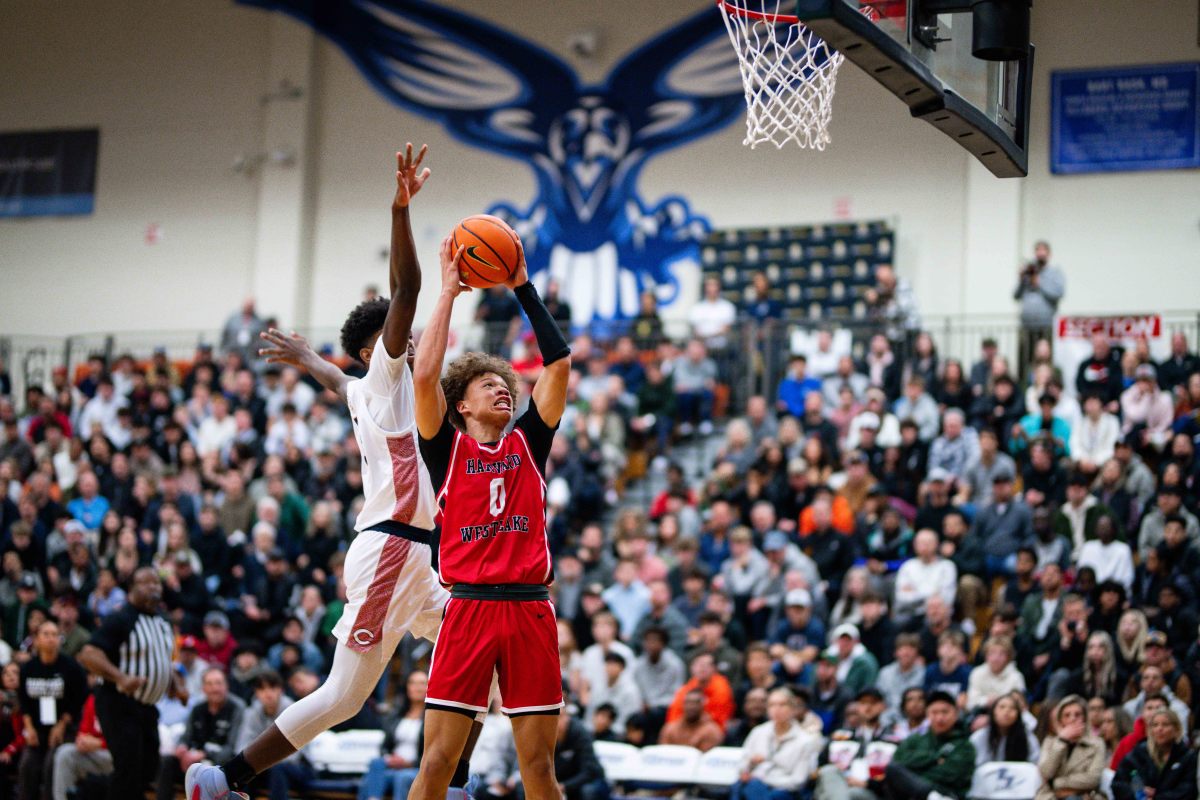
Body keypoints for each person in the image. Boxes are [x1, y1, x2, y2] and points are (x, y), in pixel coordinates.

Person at [188, 145, 470, 800]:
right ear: (382, 346)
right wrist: (400, 209)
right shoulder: (389, 374)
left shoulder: (361, 387)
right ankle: (224, 777)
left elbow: (332, 375)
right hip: (394, 547)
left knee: (473, 635)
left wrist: (303, 354)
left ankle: (457, 777)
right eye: (401, 331)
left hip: (411, 557)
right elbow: (406, 288)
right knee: (342, 695)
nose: (414, 333)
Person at [409, 214, 572, 800]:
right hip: (469, 609)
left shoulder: (529, 440)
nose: (502, 388)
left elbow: (557, 364)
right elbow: (424, 375)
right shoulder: (444, 448)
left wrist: (522, 285)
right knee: (435, 765)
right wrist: (449, 292)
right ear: (461, 407)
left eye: (504, 384)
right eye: (486, 386)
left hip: (529, 609)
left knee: (540, 770)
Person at [18, 620, 87, 800]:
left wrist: (62, 724)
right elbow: (23, 700)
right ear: (37, 640)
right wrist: (29, 728)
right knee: (27, 765)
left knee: (52, 764)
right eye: (46, 634)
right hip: (37, 728)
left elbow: (79, 700)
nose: (51, 639)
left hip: (64, 728)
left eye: (55, 635)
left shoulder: (71, 667)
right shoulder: (28, 668)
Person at [870, 690, 974, 800]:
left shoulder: (965, 745)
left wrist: (912, 776)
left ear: (955, 714)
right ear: (927, 715)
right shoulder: (915, 739)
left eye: (945, 712)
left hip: (947, 794)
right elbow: (898, 763)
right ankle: (930, 795)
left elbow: (950, 777)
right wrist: (935, 759)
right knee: (892, 770)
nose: (939, 718)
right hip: (911, 794)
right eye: (934, 713)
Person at [733, 688, 823, 800]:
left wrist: (763, 779)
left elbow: (798, 781)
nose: (777, 709)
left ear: (793, 708)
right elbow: (741, 767)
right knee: (741, 786)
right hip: (754, 786)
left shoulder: (805, 740)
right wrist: (750, 763)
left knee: (759, 790)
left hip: (784, 791)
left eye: (782, 705)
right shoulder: (758, 732)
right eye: (772, 705)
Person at [360, 670, 428, 800]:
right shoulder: (396, 715)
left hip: (415, 769)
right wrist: (389, 758)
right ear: (407, 687)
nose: (417, 688)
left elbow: (431, 752)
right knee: (375, 764)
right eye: (413, 683)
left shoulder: (432, 719)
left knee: (401, 777)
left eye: (422, 683)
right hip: (393, 766)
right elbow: (384, 746)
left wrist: (408, 763)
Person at [1110, 708, 1195, 800]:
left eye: (1165, 724)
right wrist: (1138, 792)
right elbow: (1118, 784)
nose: (1159, 729)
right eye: (1155, 725)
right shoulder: (1138, 753)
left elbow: (1188, 790)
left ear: (1176, 729)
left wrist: (1156, 798)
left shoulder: (1187, 756)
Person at [1035, 695, 1105, 800]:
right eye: (1067, 715)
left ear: (1085, 718)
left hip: (1085, 796)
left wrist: (1056, 783)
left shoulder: (1097, 744)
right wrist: (1061, 741)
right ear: (1060, 719)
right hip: (1050, 796)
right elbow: (1045, 773)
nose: (1072, 719)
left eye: (1077, 715)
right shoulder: (1050, 742)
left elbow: (1093, 778)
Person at [1014, 241, 1065, 377]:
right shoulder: (1028, 271)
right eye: (1038, 250)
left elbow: (1058, 293)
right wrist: (1021, 279)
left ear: (1048, 254)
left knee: (1045, 358)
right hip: (1027, 327)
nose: (1040, 253)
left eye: (1043, 250)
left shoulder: (1055, 273)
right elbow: (1016, 295)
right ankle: (1025, 384)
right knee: (1025, 359)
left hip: (1045, 327)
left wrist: (1039, 283)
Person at [49, 694, 111, 800]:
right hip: (94, 755)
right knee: (64, 754)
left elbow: (131, 741)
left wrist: (100, 743)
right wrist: (81, 741)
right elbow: (83, 731)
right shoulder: (94, 698)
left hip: (116, 754)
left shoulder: (129, 697)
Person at [969, 692, 1038, 766]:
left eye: (1013, 708)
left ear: (1018, 715)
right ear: (993, 712)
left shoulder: (1028, 738)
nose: (1007, 711)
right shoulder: (979, 737)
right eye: (1002, 707)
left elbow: (1034, 764)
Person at [552, 710, 608, 800]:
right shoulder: (544, 735)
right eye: (552, 718)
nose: (556, 721)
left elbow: (589, 771)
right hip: (562, 780)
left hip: (588, 780)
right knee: (524, 787)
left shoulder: (580, 733)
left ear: (567, 717)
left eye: (560, 716)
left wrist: (565, 786)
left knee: (587, 791)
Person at [658, 689, 724, 751]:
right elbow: (663, 753)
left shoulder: (711, 731)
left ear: (703, 705)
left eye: (696, 702)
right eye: (688, 702)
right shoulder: (670, 729)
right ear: (682, 705)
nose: (691, 706)